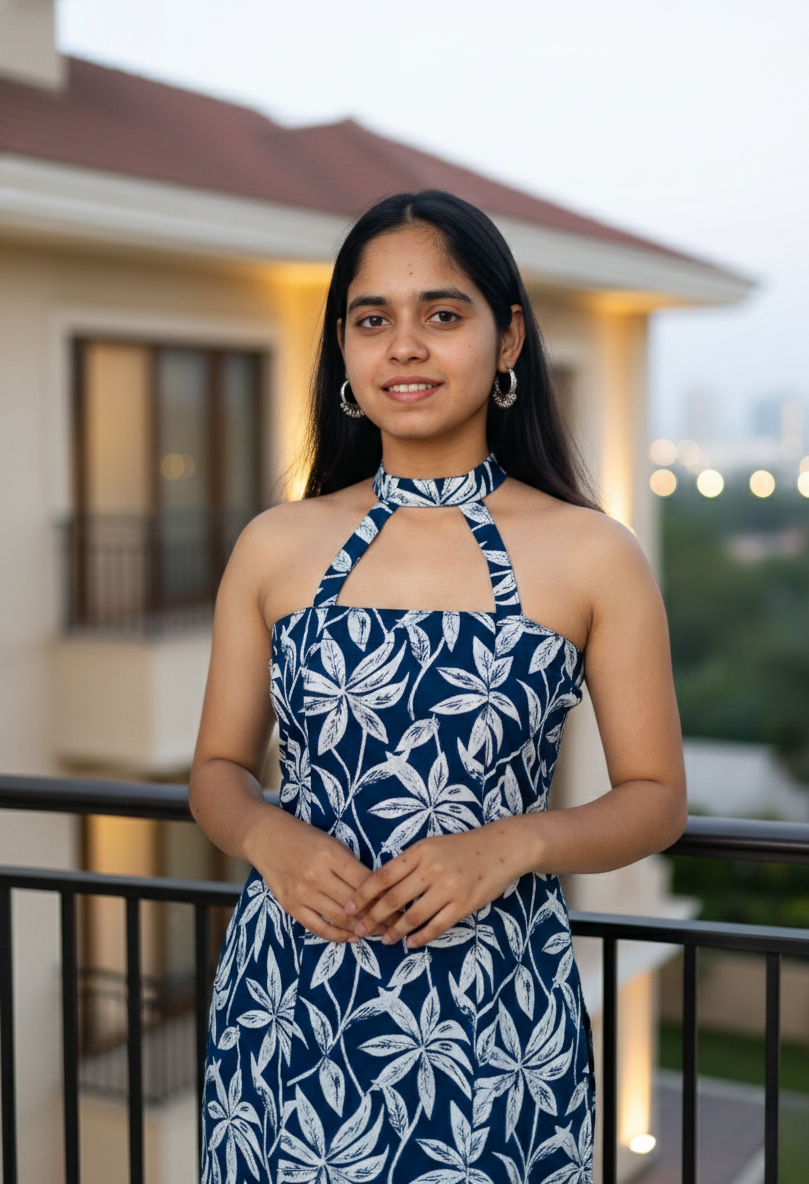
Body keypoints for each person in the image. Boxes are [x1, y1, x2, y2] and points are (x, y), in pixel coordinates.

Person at [190, 189, 687, 1184]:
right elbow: (215, 767)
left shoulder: (594, 553)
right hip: (287, 1009)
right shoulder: (275, 545)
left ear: (507, 338)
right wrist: (267, 834)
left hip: (494, 1024)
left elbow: (657, 797)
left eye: (442, 314)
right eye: (373, 319)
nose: (404, 346)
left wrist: (519, 839)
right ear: (342, 348)